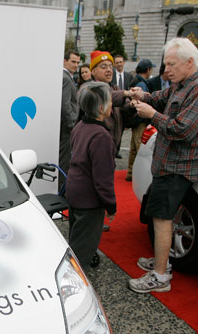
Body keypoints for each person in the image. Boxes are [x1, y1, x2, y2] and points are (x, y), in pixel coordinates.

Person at [128, 37, 198, 293]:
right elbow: (160, 96)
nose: (166, 70)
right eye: (165, 64)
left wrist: (151, 115)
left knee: (163, 217)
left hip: (179, 165)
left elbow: (184, 130)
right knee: (161, 214)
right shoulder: (181, 84)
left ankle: (160, 276)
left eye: (171, 64)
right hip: (170, 162)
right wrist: (142, 95)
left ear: (190, 63)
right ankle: (161, 262)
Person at [66, 81, 116, 272]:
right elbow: (102, 178)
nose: (112, 104)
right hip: (89, 199)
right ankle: (75, 284)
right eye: (110, 101)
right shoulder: (100, 136)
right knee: (82, 249)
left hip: (75, 192)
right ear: (101, 107)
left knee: (76, 236)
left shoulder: (80, 126)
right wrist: (111, 205)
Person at [89, 50, 135, 160]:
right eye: (104, 67)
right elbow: (105, 95)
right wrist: (126, 93)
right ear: (93, 71)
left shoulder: (115, 88)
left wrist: (133, 105)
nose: (109, 70)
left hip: (112, 145)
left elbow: (125, 108)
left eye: (110, 66)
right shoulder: (88, 88)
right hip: (95, 145)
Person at [125, 58, 155, 182]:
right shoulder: (142, 84)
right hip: (140, 120)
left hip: (134, 120)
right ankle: (139, 176)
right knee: (139, 148)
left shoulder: (136, 80)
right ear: (147, 70)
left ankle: (130, 173)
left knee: (133, 147)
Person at [59, 50, 80, 190]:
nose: (76, 65)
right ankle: (62, 189)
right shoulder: (65, 78)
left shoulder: (67, 77)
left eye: (78, 62)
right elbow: (65, 105)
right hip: (67, 127)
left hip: (65, 126)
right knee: (64, 159)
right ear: (64, 61)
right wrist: (72, 124)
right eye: (73, 62)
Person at [110, 55, 133, 159]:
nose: (119, 64)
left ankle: (117, 150)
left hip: (124, 105)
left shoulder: (128, 76)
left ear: (124, 63)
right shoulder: (111, 75)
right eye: (117, 62)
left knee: (121, 129)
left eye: (120, 62)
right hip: (114, 106)